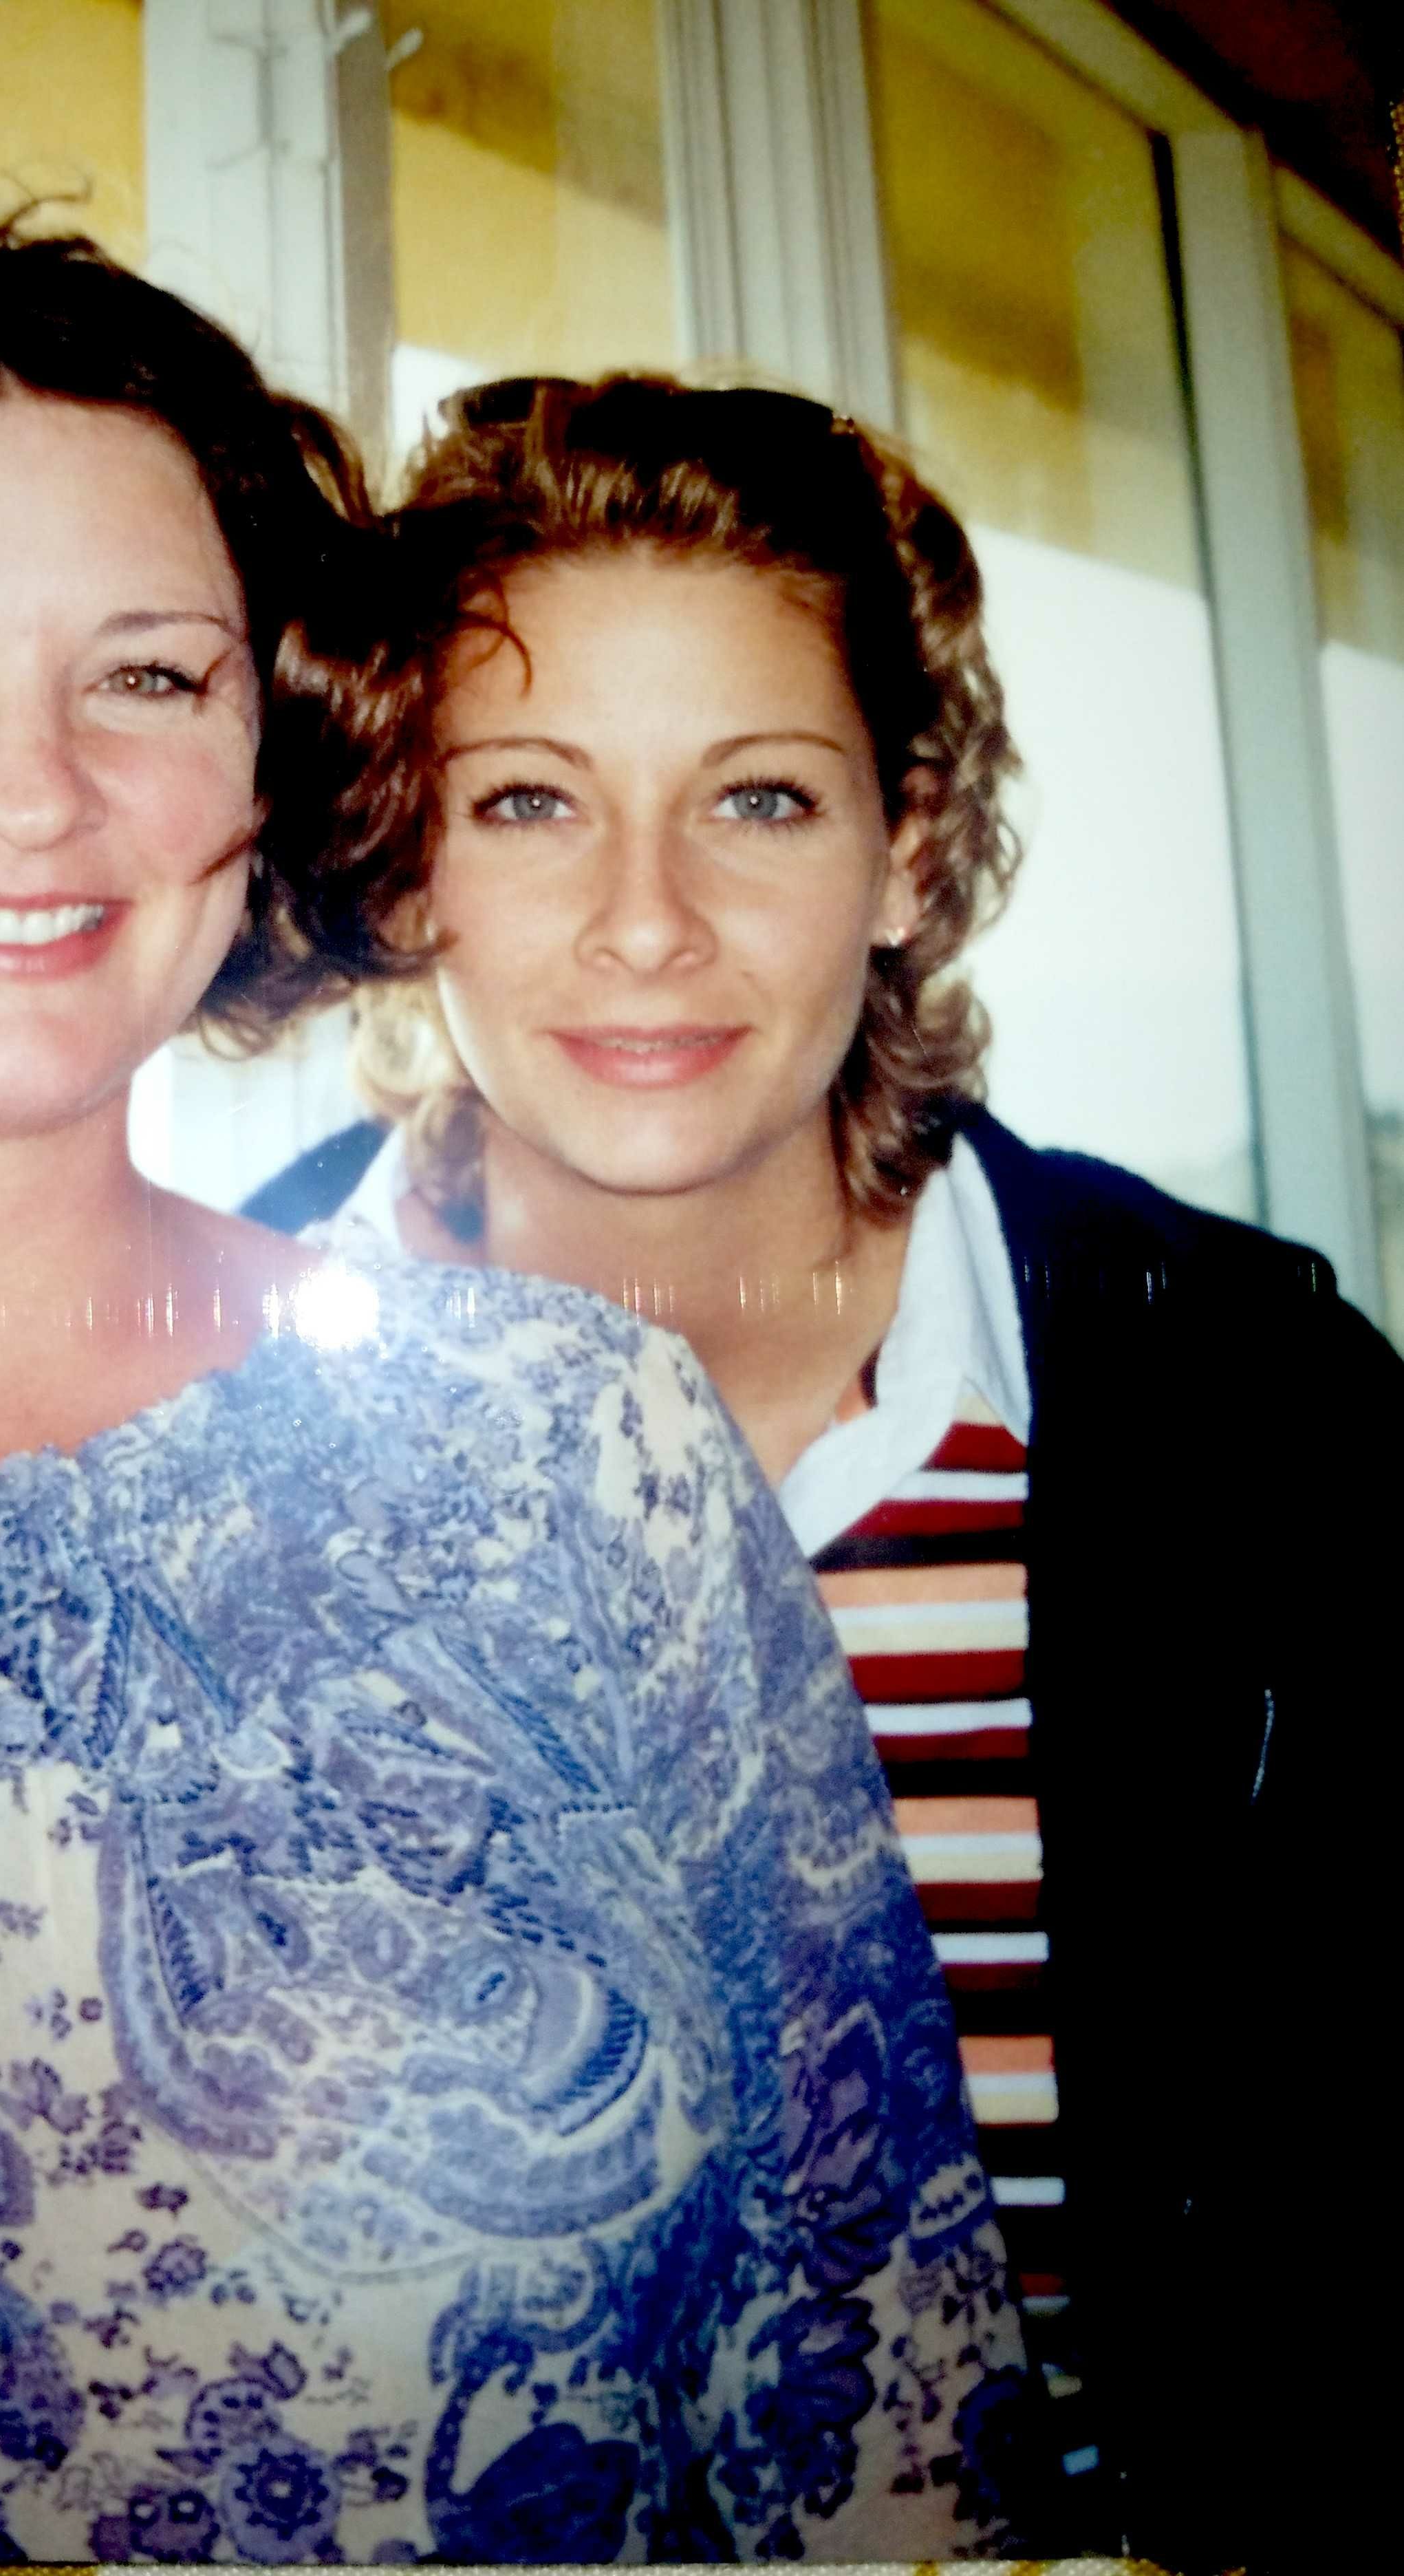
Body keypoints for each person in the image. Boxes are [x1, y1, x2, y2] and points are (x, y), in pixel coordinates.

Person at [0, 230, 1028, 2562]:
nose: (36, 791)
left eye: (147, 676)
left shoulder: (568, 1451)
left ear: (266, 754)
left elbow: (883, 2433)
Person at [243, 371, 1403, 2573]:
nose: (647, 920)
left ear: (910, 853)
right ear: (399, 860)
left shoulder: (1264, 1426)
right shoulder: (160, 1437)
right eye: (526, 802)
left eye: (758, 798)